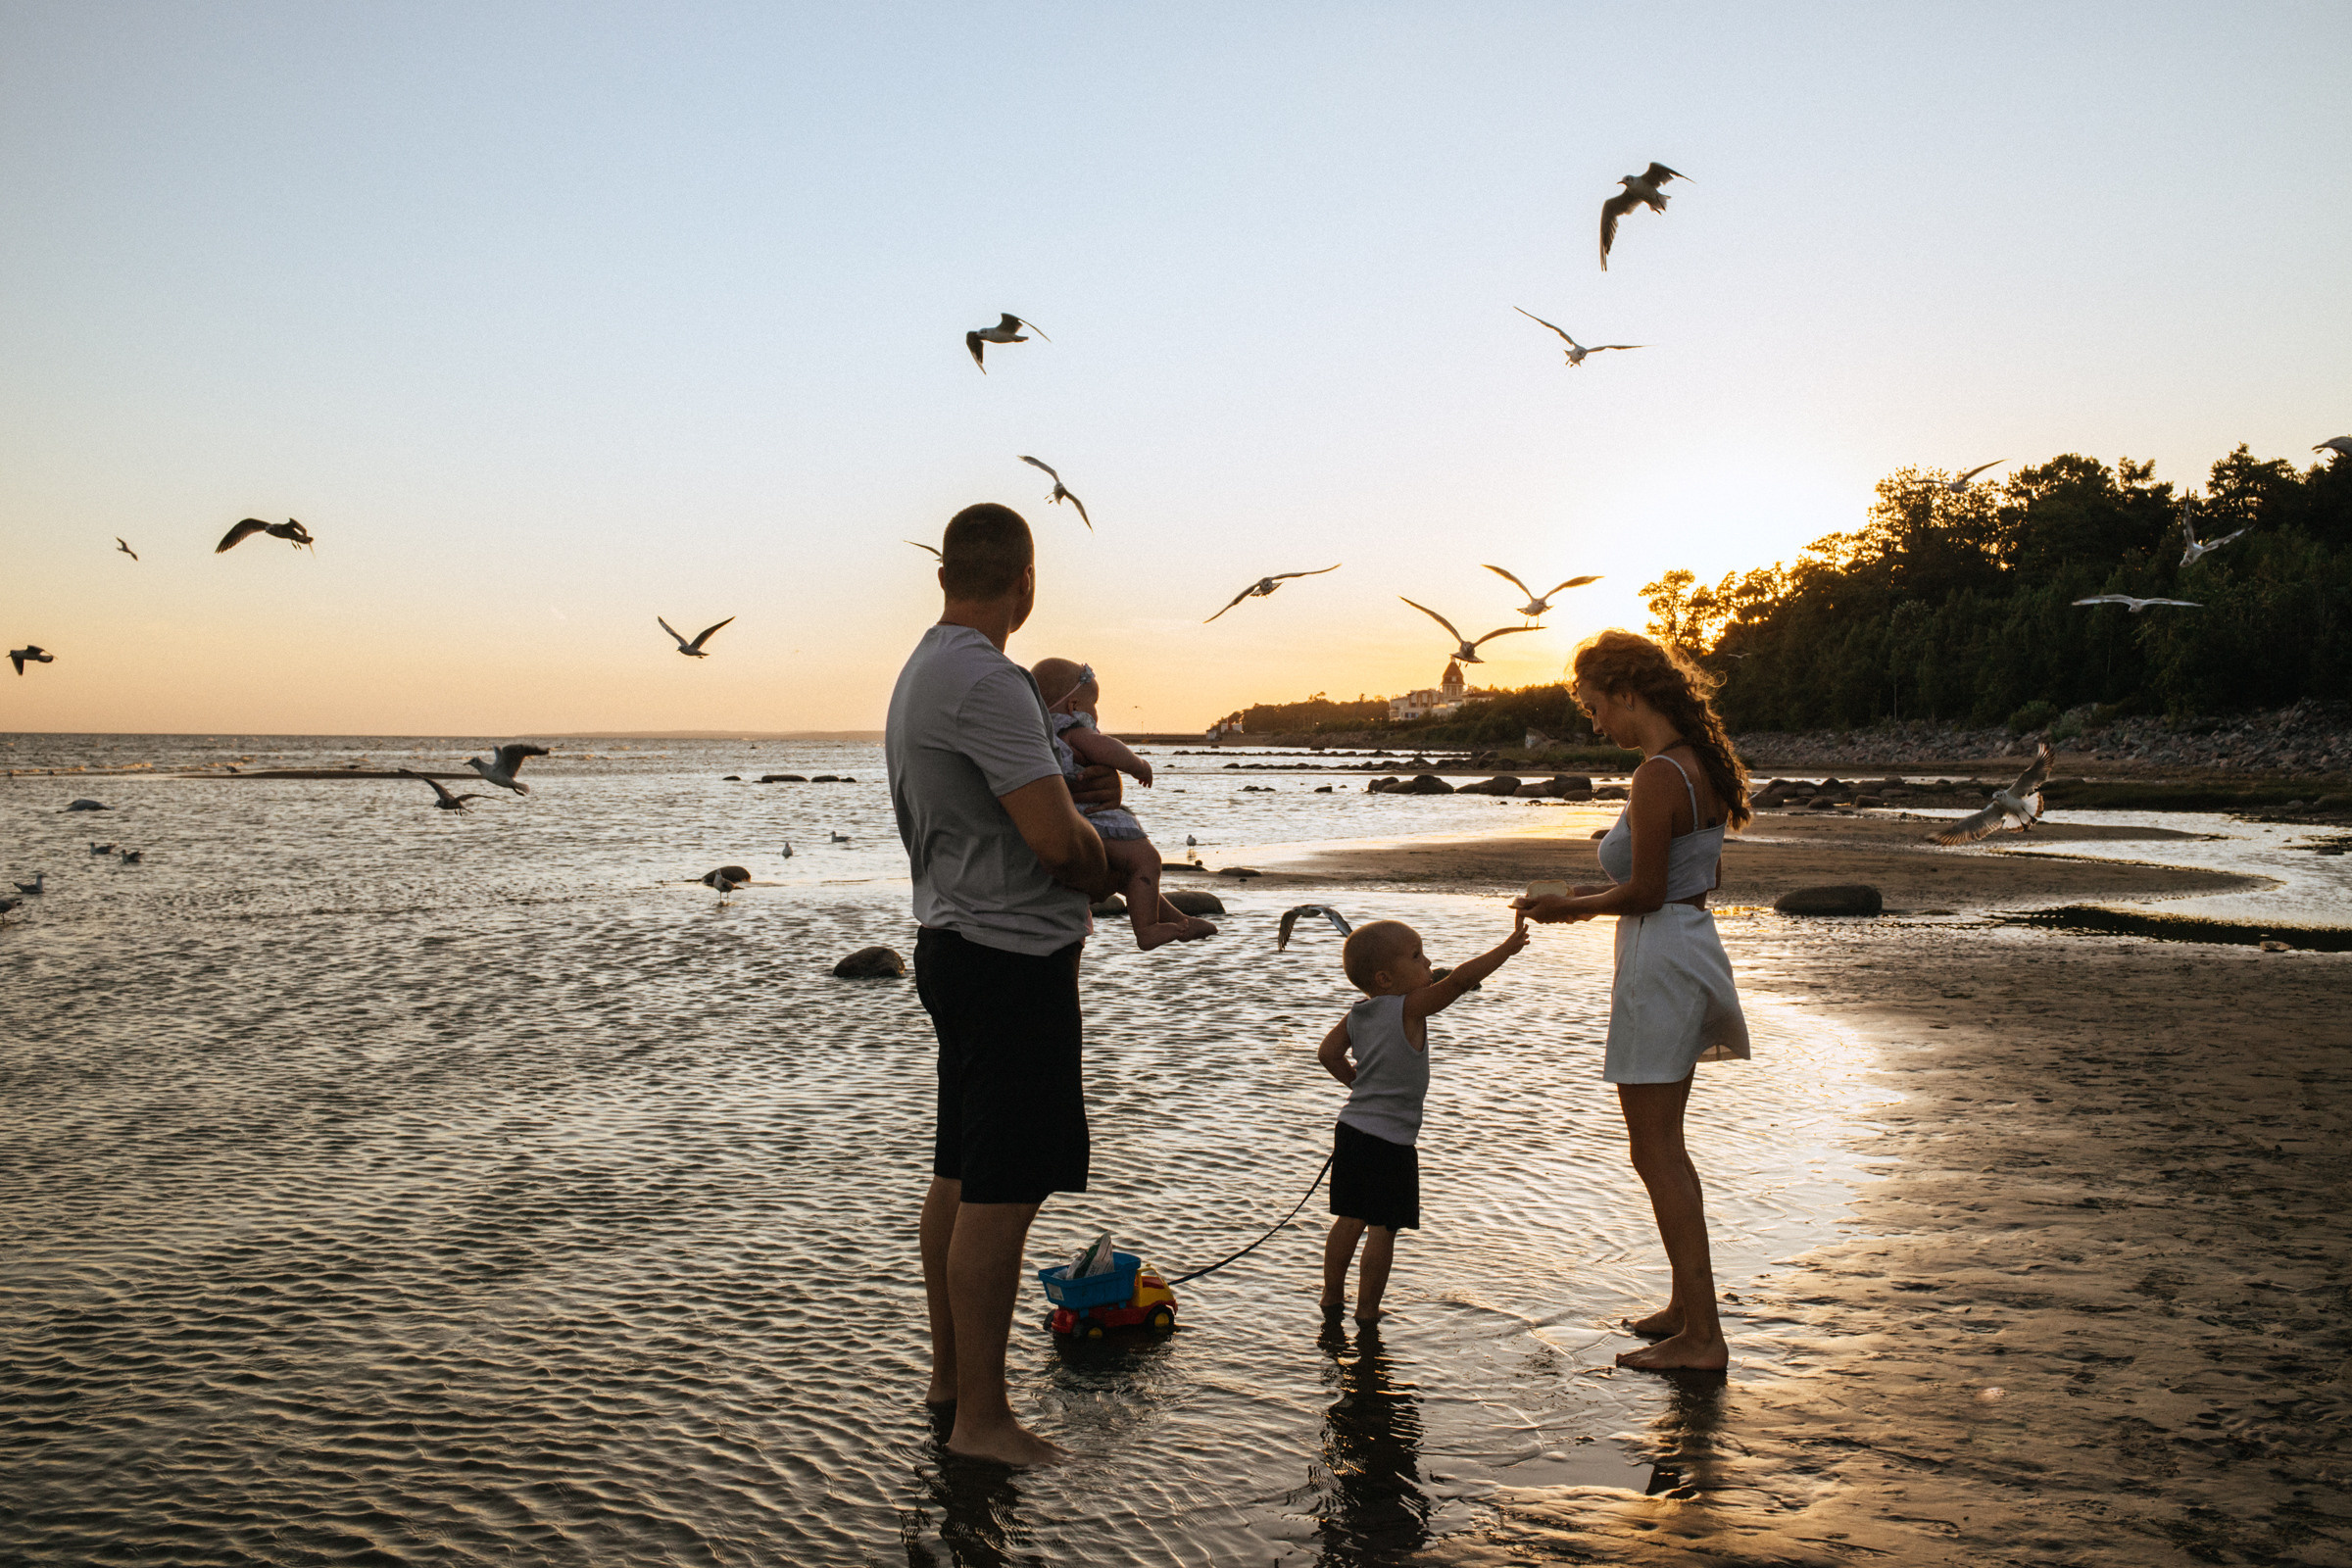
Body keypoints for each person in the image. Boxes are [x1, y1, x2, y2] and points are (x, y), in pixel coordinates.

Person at [887, 503, 1126, 1466]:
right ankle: (983, 1420)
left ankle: (953, 1382)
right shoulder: (987, 681)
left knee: (961, 1172)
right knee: (1003, 1190)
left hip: (958, 944)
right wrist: (1105, 864)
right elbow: (1052, 837)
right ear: (1025, 584)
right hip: (1007, 962)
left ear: (943, 575)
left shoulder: (926, 665)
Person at [1513, 629, 1752, 1371]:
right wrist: (1589, 894)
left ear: (1626, 692)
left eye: (1593, 709)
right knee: (1665, 1146)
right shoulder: (1697, 763)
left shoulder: (1657, 774)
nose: (1595, 724)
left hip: (1659, 958)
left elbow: (1646, 891)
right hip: (1688, 942)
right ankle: (1687, 1306)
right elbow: (1677, 878)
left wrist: (1571, 909)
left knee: (1655, 1150)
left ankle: (1703, 1337)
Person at [1315, 914, 1529, 1324]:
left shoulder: (1358, 1014)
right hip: (1391, 1142)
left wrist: (1356, 1085)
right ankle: (1367, 1310)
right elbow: (1460, 981)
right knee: (1383, 1227)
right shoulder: (1410, 1008)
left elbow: (1327, 1053)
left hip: (1353, 1128)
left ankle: (1331, 1296)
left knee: (1350, 1217)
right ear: (1385, 979)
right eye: (1418, 957)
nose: (1429, 963)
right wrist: (1506, 948)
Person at [1029, 657, 1215, 950]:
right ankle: (1147, 929)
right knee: (1148, 861)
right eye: (1094, 704)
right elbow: (1103, 746)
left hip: (1069, 821)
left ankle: (1180, 920)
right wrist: (1136, 763)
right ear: (1073, 706)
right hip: (1091, 820)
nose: (1096, 713)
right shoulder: (1071, 728)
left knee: (1129, 875)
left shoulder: (1039, 733)